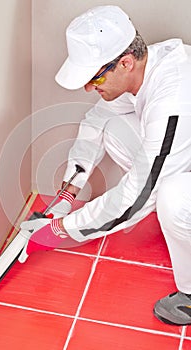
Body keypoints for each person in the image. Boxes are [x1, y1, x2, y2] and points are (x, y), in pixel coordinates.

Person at [19, 5, 191, 325]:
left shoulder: (173, 101)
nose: (89, 87)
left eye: (94, 77)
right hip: (181, 150)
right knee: (112, 127)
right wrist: (67, 195)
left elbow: (137, 194)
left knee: (172, 197)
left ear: (124, 62)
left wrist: (59, 231)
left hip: (178, 160)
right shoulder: (142, 70)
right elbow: (96, 121)